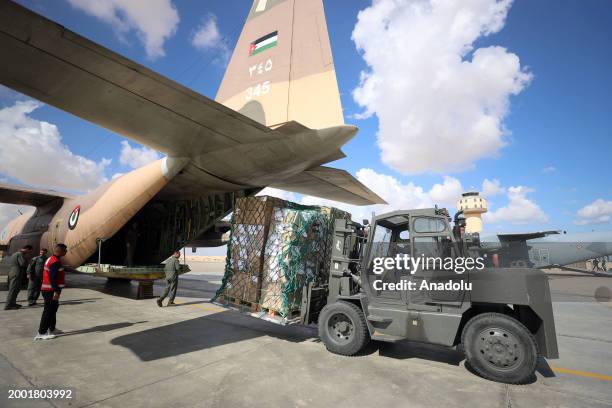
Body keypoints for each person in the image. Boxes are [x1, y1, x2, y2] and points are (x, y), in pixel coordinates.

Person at [35, 243, 67, 340]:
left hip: (49, 289)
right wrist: (56, 291)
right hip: (50, 290)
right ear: (60, 251)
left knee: (53, 309)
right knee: (48, 311)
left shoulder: (52, 258)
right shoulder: (55, 262)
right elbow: (52, 278)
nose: (66, 252)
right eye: (65, 250)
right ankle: (41, 332)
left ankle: (51, 328)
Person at [4, 245, 33, 310]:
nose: (28, 253)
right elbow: (22, 263)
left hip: (13, 272)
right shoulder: (20, 254)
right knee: (13, 289)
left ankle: (12, 303)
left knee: (16, 289)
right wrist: (28, 261)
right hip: (16, 273)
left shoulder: (15, 253)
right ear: (27, 249)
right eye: (29, 251)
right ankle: (8, 305)